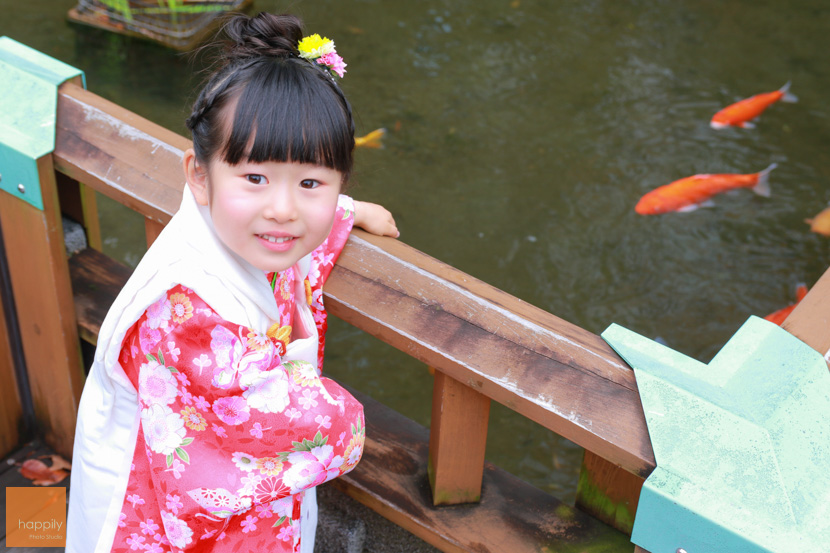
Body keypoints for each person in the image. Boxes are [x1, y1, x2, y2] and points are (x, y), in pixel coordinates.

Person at [66, 12, 398, 553]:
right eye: (255, 178)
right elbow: (263, 420)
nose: (284, 211)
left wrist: (342, 214)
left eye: (311, 181)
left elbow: (290, 222)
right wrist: (346, 424)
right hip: (160, 505)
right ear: (200, 175)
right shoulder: (185, 313)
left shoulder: (245, 230)